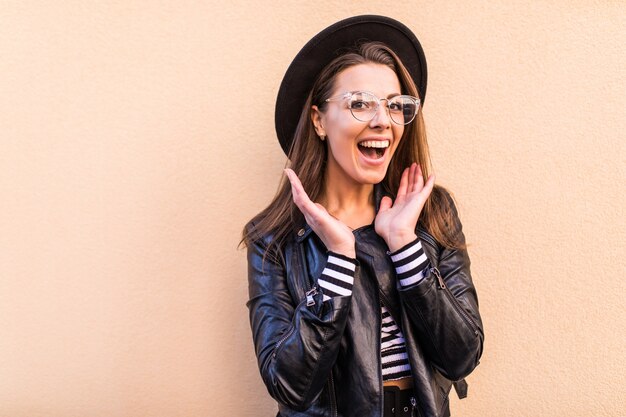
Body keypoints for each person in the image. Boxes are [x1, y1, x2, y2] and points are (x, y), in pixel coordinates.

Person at [242, 15, 484, 417]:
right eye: (359, 103)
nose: (382, 120)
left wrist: (405, 246)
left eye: (394, 105)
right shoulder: (273, 239)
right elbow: (288, 384)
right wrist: (339, 257)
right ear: (319, 120)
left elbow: (462, 356)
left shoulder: (431, 214)